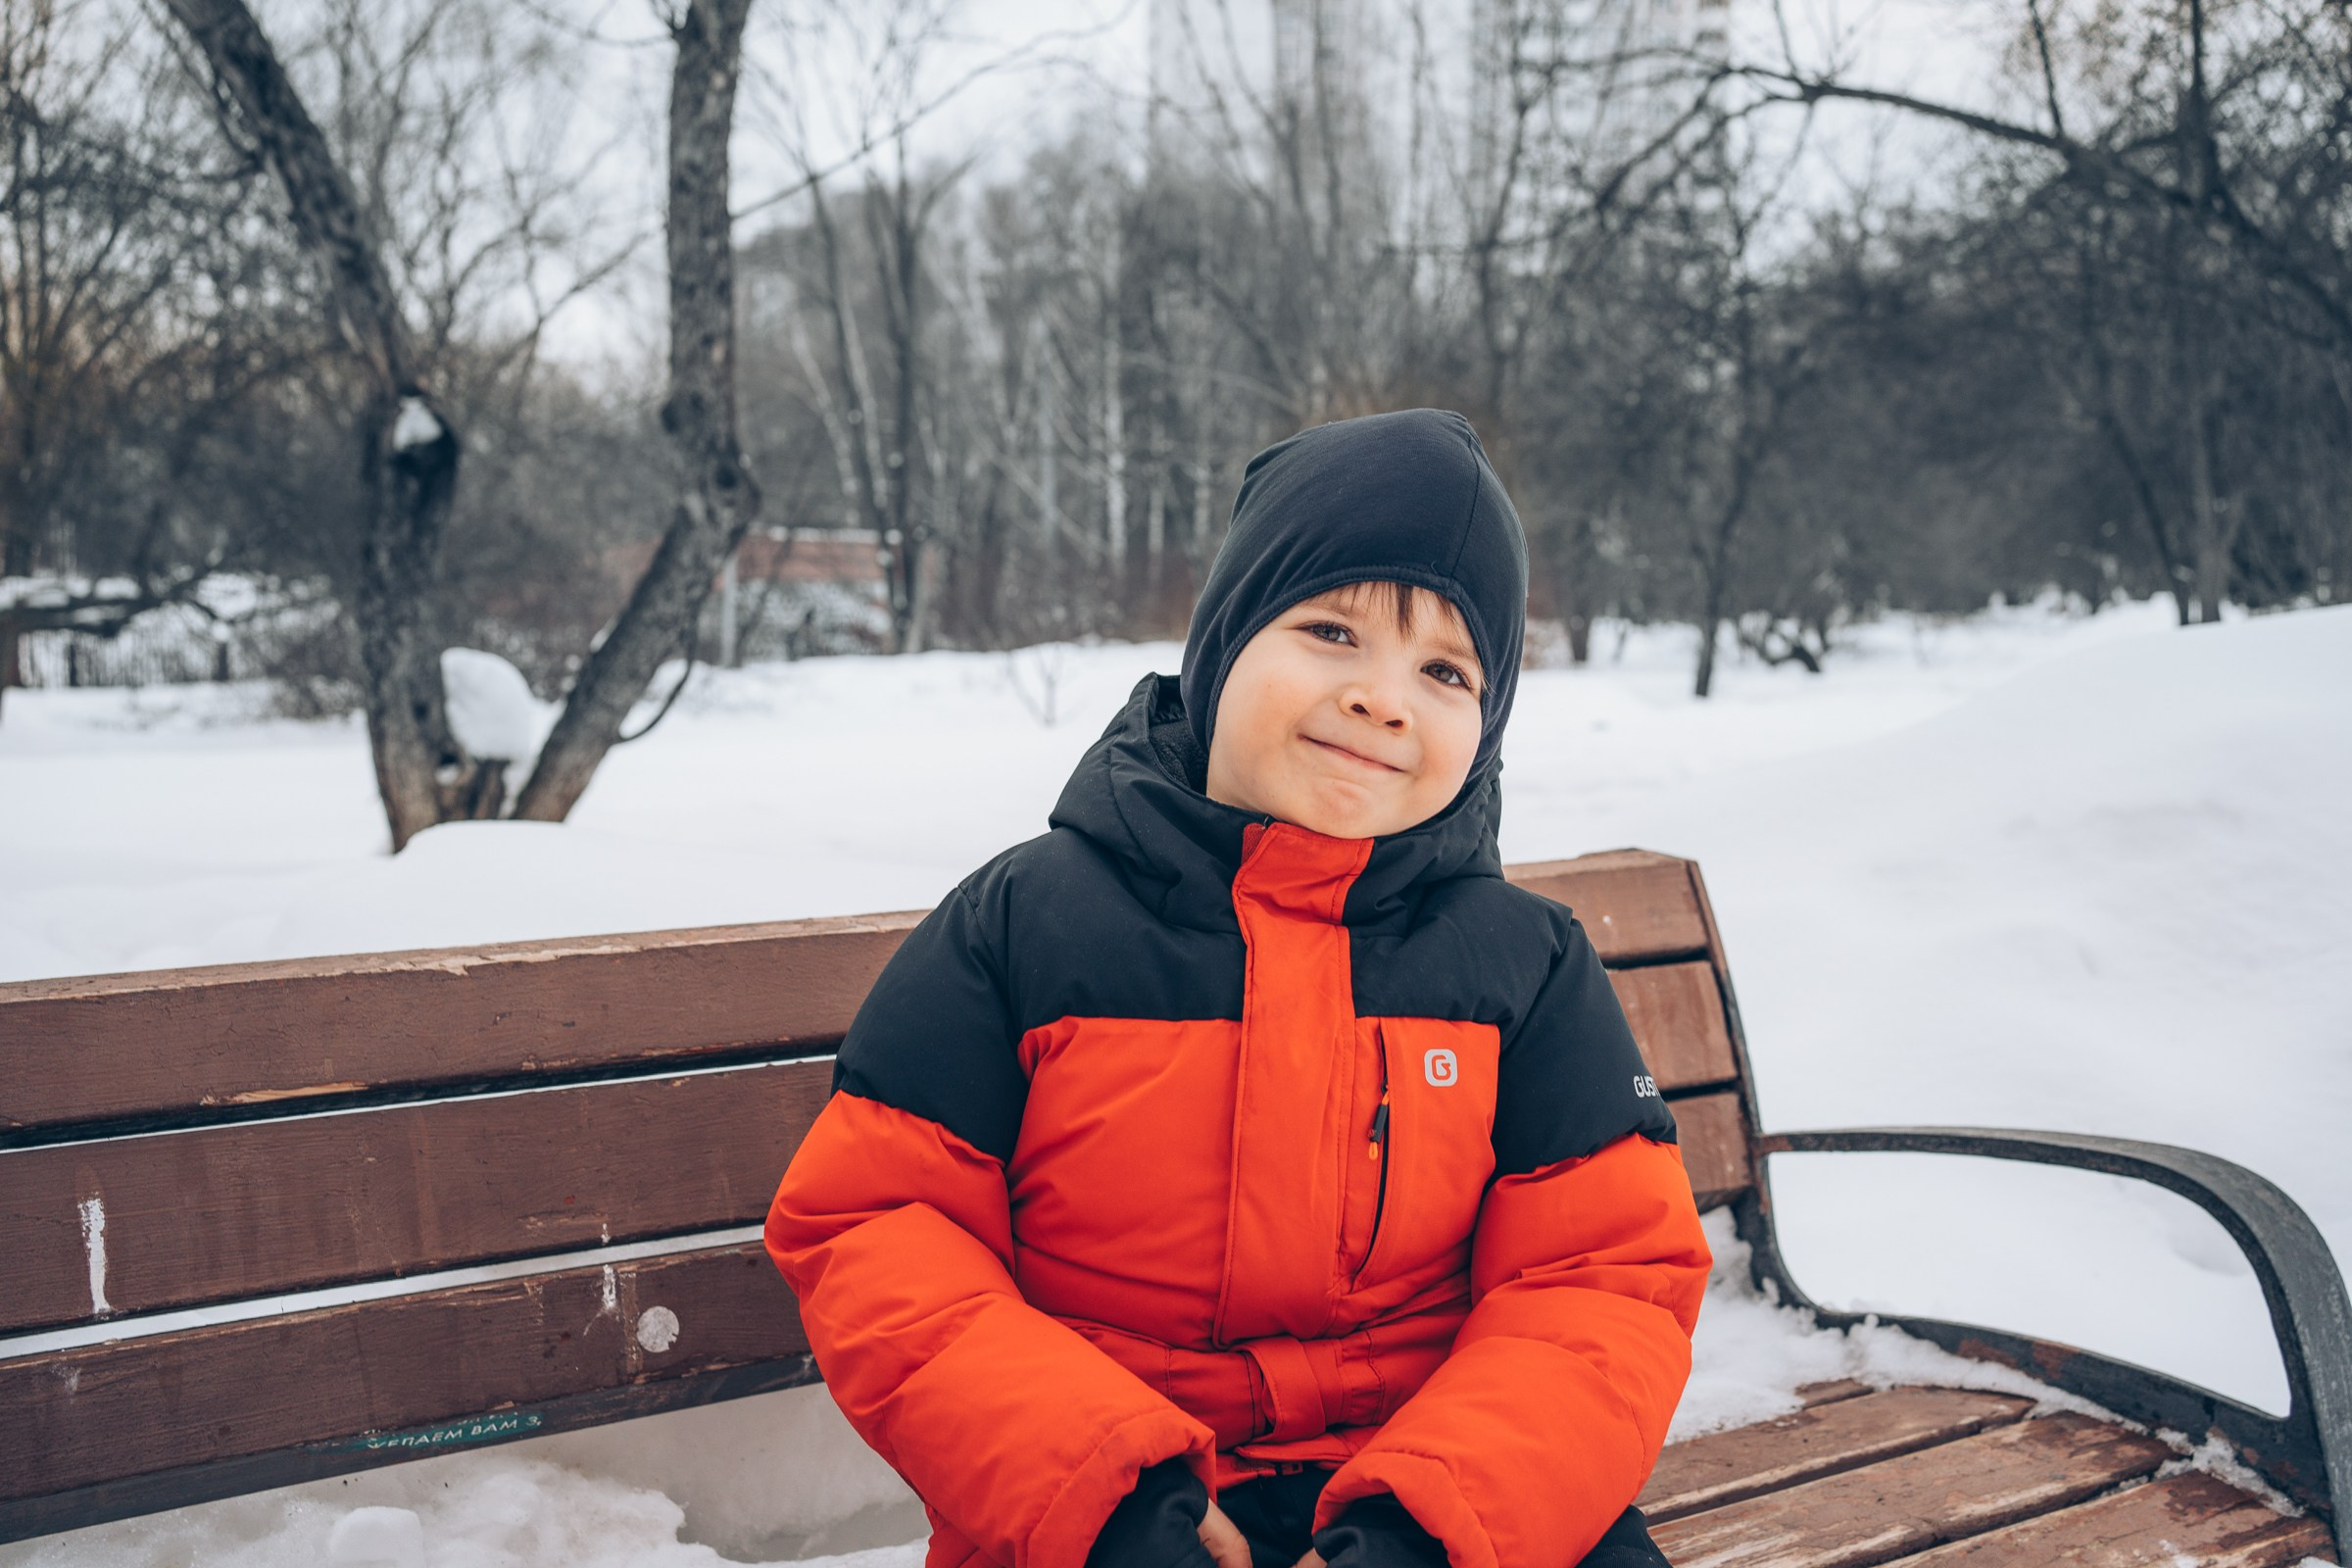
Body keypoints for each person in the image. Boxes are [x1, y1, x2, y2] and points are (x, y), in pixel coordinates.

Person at [764, 409, 1712, 1568]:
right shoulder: (1028, 923)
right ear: (1224, 645)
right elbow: (880, 1231)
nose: (1384, 696)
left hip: (1448, 1501)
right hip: (1101, 1507)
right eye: (1330, 630)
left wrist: (1433, 1522)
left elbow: (1602, 1283)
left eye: (1446, 668)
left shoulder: (1525, 966)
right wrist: (1102, 1494)